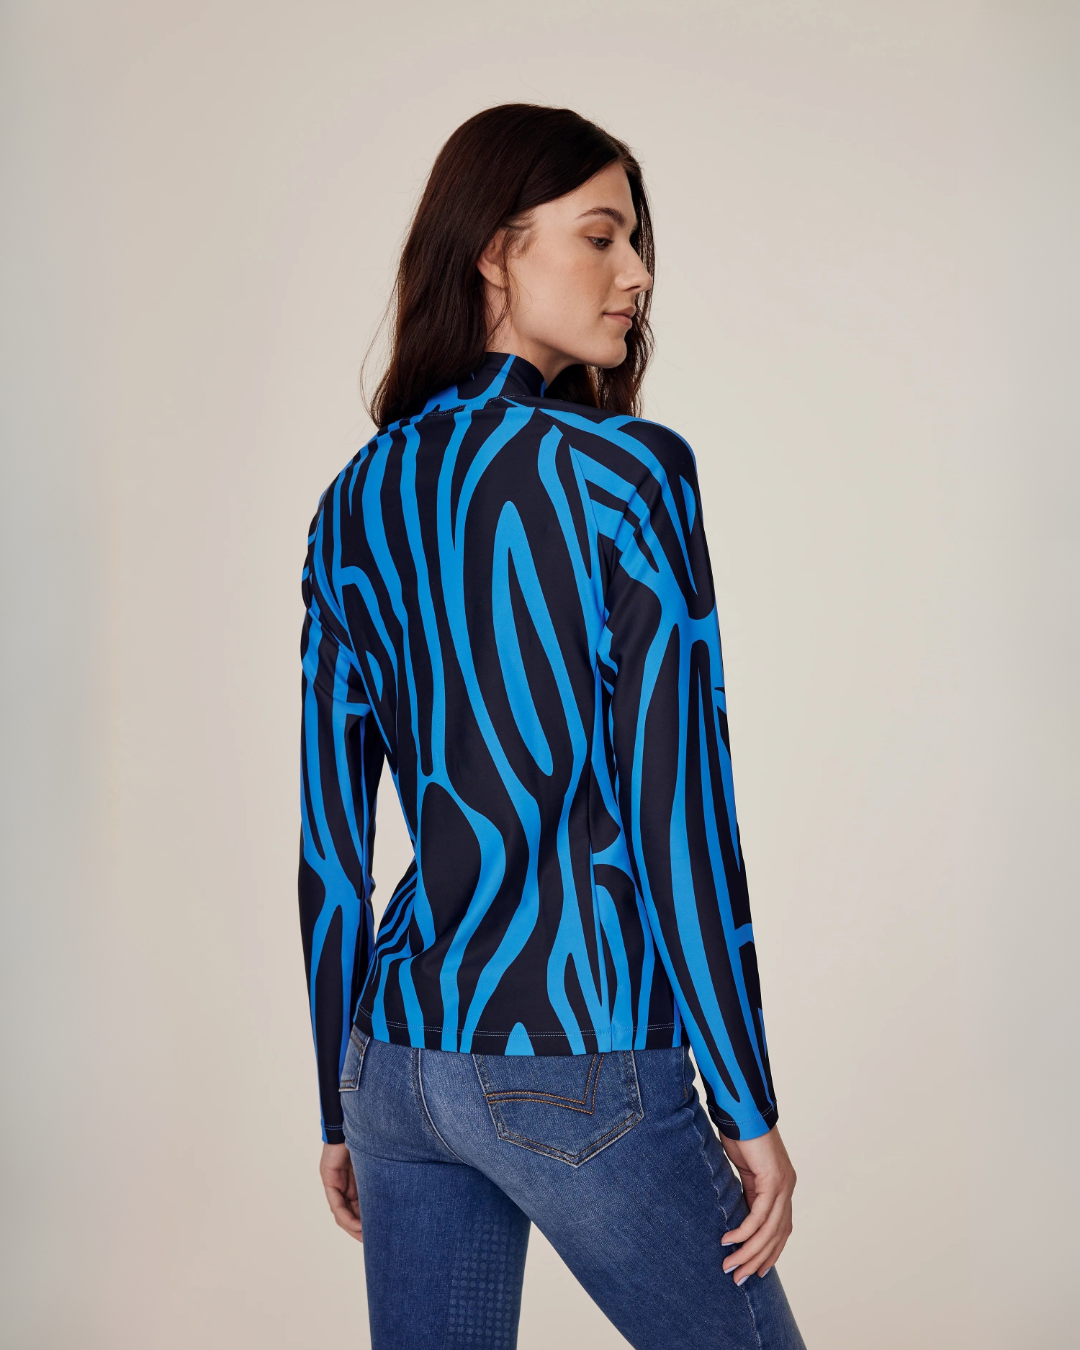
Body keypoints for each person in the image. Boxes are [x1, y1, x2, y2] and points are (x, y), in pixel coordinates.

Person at [299, 103, 804, 1350]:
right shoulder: (631, 475)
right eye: (600, 235)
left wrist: (336, 1103)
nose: (636, 274)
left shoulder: (350, 504)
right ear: (495, 251)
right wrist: (746, 1102)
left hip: (396, 1057)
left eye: (635, 242)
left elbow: (328, 845)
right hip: (577, 1051)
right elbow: (680, 809)